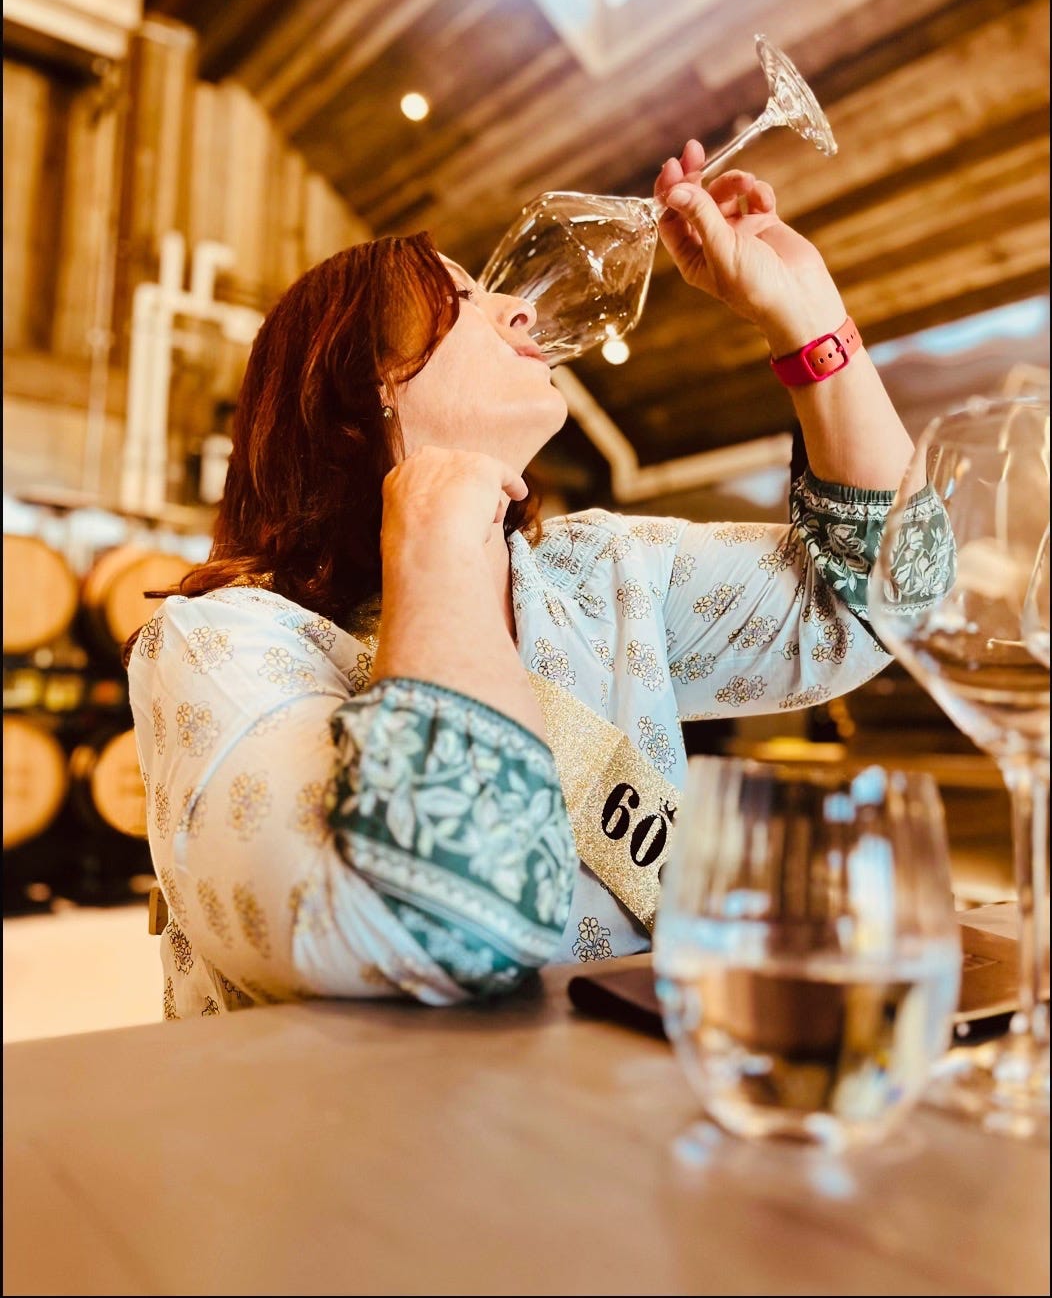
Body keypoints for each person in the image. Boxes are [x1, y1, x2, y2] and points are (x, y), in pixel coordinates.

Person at [128, 140, 929, 1019]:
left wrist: (809, 322)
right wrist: (436, 532)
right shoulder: (221, 642)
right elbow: (438, 930)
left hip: (616, 1133)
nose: (519, 308)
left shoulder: (600, 572)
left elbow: (888, 598)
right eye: (461, 299)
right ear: (364, 390)